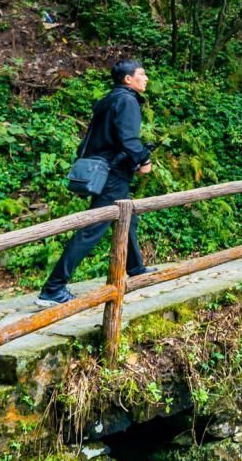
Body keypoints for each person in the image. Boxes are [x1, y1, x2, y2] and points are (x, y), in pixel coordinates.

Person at [37, 60, 153, 307]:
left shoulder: (109, 100)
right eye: (142, 74)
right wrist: (144, 159)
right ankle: (53, 288)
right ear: (128, 79)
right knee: (92, 229)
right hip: (113, 173)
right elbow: (128, 139)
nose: (146, 78)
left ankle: (136, 268)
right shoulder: (127, 101)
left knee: (128, 218)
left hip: (105, 169)